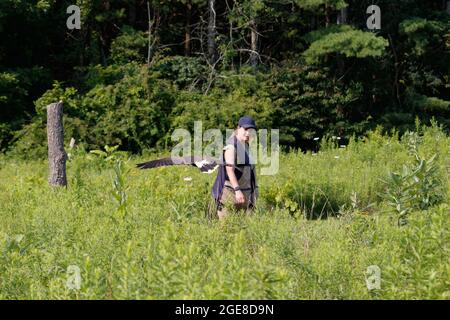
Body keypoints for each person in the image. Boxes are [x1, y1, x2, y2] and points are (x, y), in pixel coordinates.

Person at [211, 116, 258, 220]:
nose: (248, 133)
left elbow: (250, 171)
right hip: (229, 195)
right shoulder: (231, 147)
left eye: (251, 130)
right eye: (245, 129)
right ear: (238, 128)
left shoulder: (246, 146)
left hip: (244, 196)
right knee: (226, 229)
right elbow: (230, 170)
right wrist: (237, 191)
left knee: (243, 231)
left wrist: (255, 190)